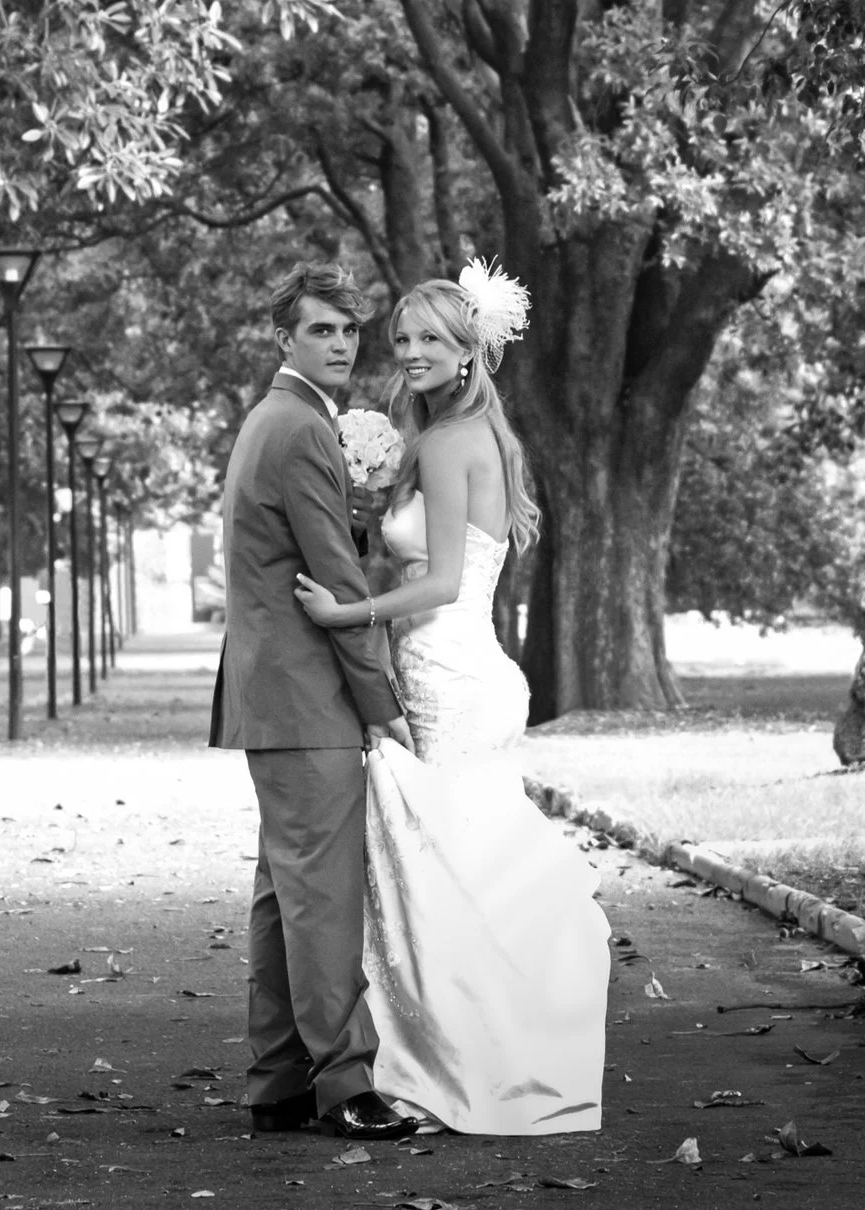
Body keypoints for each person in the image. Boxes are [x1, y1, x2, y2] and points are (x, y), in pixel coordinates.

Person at [292, 260, 609, 1135]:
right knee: (471, 872)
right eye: (402, 339)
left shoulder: (442, 442)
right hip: (478, 668)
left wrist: (346, 606)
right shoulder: (487, 439)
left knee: (444, 878)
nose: (411, 352)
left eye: (432, 338)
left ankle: (464, 1062)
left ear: (472, 352)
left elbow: (433, 587)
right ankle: (499, 1050)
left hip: (448, 672)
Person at [209, 262, 419, 1143]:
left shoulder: (275, 420)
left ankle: (278, 1081)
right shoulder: (298, 429)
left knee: (282, 897)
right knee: (322, 900)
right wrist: (383, 704)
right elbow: (334, 580)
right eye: (322, 330)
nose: (340, 345)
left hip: (277, 698)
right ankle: (345, 1085)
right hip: (307, 701)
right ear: (285, 337)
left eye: (348, 331)